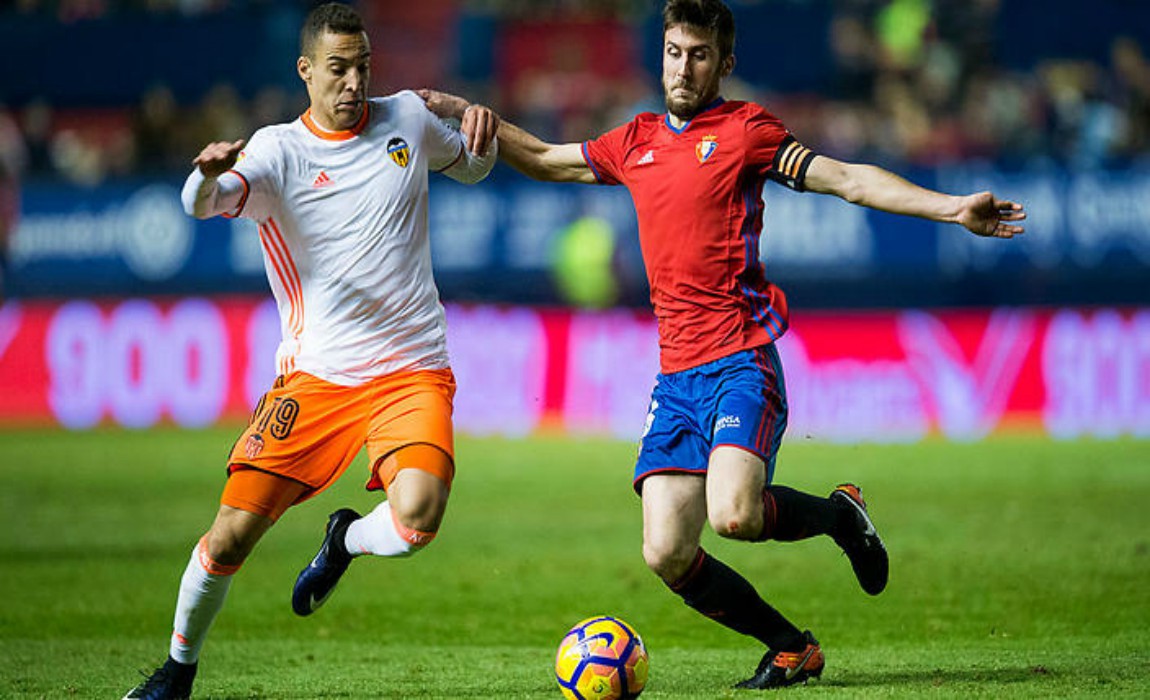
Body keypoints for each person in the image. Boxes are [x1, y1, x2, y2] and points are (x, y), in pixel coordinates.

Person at [422, 0, 1025, 690]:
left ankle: (838, 517)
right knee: (666, 552)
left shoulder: (747, 132)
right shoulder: (635, 140)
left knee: (734, 514)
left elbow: (847, 178)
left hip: (741, 359)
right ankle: (791, 646)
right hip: (675, 379)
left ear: (724, 63)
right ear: (663, 54)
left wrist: (950, 208)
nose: (684, 66)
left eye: (699, 54)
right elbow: (547, 161)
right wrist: (475, 117)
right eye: (675, 51)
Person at [123, 4, 499, 699]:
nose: (353, 82)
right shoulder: (276, 152)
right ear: (306, 71)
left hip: (411, 370)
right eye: (337, 68)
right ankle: (177, 671)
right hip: (317, 379)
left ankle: (345, 540)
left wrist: (480, 137)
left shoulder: (407, 119)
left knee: (417, 520)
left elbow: (470, 167)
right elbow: (201, 203)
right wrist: (206, 175)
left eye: (362, 66)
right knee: (230, 538)